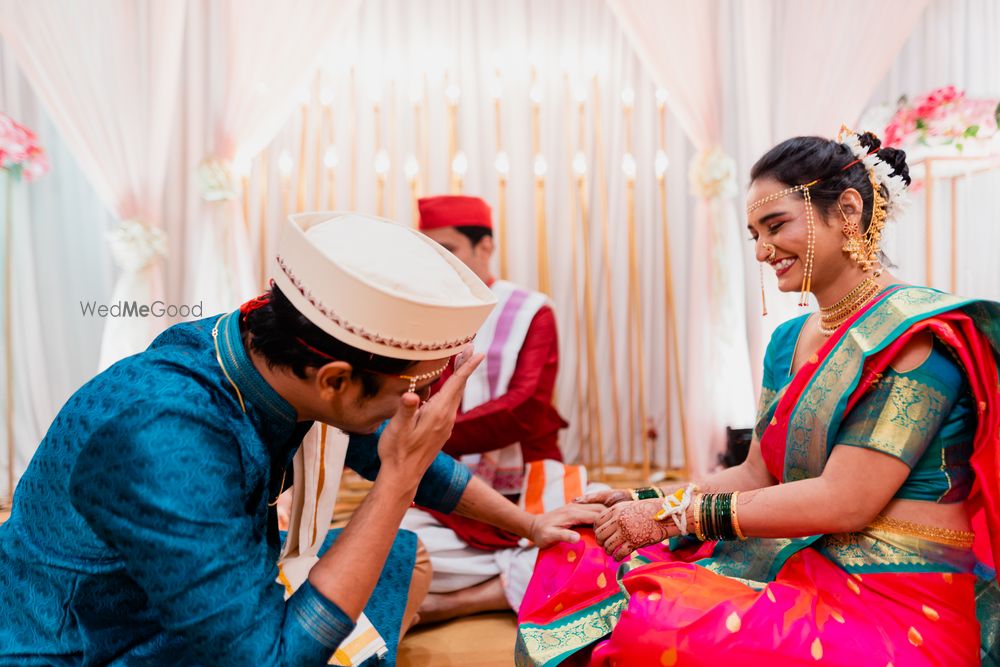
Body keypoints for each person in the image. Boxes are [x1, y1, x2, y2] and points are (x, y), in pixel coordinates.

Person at [0, 212, 602, 666]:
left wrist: (530, 526)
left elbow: (425, 467)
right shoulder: (165, 435)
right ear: (337, 381)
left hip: (194, 592)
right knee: (347, 586)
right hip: (91, 643)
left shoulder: (263, 350)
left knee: (393, 556)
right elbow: (267, 661)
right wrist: (394, 484)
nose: (418, 405)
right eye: (415, 388)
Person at [515, 130, 1000, 666]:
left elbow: (845, 500)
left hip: (894, 592)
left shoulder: (912, 338)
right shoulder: (787, 343)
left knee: (651, 624)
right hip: (800, 554)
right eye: (754, 236)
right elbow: (754, 475)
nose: (764, 251)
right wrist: (640, 501)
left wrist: (672, 519)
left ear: (847, 209)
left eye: (776, 226)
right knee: (582, 548)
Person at [401, 195, 571, 623]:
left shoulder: (531, 309)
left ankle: (458, 601)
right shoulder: (419, 313)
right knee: (397, 547)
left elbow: (526, 407)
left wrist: (430, 433)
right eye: (430, 251)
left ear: (485, 247)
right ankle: (513, 577)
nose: (439, 262)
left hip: (523, 483)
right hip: (444, 486)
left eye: (450, 250)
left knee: (580, 541)